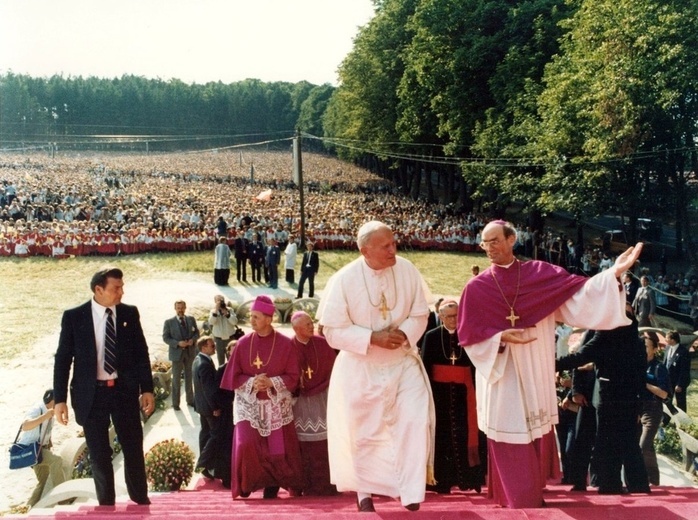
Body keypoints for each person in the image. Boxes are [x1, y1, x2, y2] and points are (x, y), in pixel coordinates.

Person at [457, 219, 642, 508]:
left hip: (534, 362)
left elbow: (580, 295)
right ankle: (519, 497)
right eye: (485, 242)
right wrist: (500, 338)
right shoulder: (477, 287)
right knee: (508, 424)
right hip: (501, 367)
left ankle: (528, 493)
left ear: (512, 240)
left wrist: (613, 273)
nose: (489, 247)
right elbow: (468, 336)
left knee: (531, 424)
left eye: (494, 240)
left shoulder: (540, 273)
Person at [317, 220, 435, 513]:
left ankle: (409, 491)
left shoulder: (407, 270)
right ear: (365, 250)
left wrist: (404, 334)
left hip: (402, 361)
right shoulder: (344, 279)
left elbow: (421, 314)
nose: (394, 249)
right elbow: (331, 331)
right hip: (361, 365)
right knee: (364, 431)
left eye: (394, 243)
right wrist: (372, 338)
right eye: (386, 246)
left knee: (414, 421)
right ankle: (364, 493)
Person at [53, 267, 154, 505]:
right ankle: (106, 506)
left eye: (122, 286)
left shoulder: (129, 313)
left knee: (132, 449)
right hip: (91, 395)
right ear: (98, 289)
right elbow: (62, 359)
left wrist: (147, 388)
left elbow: (141, 353)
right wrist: (59, 400)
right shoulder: (74, 317)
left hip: (123, 391)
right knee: (99, 455)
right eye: (116, 288)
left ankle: (140, 501)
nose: (121, 292)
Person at [556, 307, 650, 495]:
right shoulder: (636, 341)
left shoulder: (605, 335)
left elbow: (579, 357)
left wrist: (552, 364)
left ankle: (610, 484)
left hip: (609, 394)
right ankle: (638, 485)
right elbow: (640, 376)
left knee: (607, 441)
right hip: (629, 397)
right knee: (629, 441)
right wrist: (640, 404)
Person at [219, 295, 304, 499]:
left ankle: (273, 484)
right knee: (247, 443)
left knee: (276, 448)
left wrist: (272, 382)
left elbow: (293, 376)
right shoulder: (242, 343)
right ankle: (248, 482)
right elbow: (233, 376)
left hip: (275, 403)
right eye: (251, 316)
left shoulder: (285, 344)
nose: (252, 320)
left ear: (269, 318)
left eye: (256, 317)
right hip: (249, 403)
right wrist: (252, 382)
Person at [420, 300, 486, 494]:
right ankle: (443, 481)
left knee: (467, 433)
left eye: (456, 315)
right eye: (448, 316)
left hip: (465, 394)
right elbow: (425, 366)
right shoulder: (431, 337)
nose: (453, 320)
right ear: (440, 317)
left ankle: (469, 479)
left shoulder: (468, 335)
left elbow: (476, 365)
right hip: (439, 394)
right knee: (442, 435)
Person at [289, 310, 338, 496]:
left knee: (324, 443)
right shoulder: (290, 346)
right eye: (307, 324)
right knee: (303, 445)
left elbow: (334, 368)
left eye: (311, 323)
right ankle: (303, 484)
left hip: (322, 398)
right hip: (300, 401)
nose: (312, 326)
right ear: (296, 329)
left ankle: (326, 485)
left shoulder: (322, 343)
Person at [18, 389, 67, 508]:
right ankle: (63, 498)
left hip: (40, 449)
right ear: (53, 401)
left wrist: (49, 444)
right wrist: (45, 416)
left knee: (43, 481)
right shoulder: (37, 409)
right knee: (57, 460)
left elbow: (45, 431)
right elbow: (25, 426)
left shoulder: (50, 411)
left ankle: (30, 506)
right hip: (30, 450)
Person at [640, 332, 670, 486]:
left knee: (643, 445)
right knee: (648, 447)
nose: (642, 349)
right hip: (638, 409)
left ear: (655, 349)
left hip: (653, 409)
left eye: (645, 347)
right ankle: (654, 480)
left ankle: (645, 479)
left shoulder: (659, 367)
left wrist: (644, 384)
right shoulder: (637, 365)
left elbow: (664, 393)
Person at [163, 300, 200, 410]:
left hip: (189, 353)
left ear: (185, 307)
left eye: (182, 307)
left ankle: (190, 400)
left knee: (190, 377)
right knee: (176, 380)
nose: (180, 310)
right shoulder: (169, 322)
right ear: (175, 308)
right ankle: (175, 404)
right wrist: (177, 343)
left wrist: (192, 340)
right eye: (178, 308)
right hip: (176, 354)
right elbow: (165, 338)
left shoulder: (191, 319)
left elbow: (196, 333)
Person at [193, 336, 220, 480]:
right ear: (204, 347)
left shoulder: (198, 359)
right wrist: (215, 407)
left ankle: (206, 465)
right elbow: (208, 389)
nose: (214, 348)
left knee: (205, 434)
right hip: (208, 407)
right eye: (212, 346)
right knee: (215, 435)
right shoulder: (204, 364)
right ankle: (202, 464)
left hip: (201, 406)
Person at [664, 330, 691, 412]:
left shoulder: (683, 352)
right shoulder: (667, 348)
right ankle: (666, 420)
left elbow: (684, 370)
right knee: (667, 400)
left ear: (673, 340)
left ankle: (683, 421)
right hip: (668, 380)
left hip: (679, 381)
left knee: (680, 402)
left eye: (667, 338)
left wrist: (680, 384)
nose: (665, 340)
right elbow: (665, 363)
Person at [208, 295, 239, 366]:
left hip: (230, 339)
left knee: (231, 360)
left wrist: (227, 314)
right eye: (218, 301)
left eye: (221, 300)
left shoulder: (230, 310)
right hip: (219, 340)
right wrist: (216, 310)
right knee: (221, 361)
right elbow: (211, 322)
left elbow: (235, 322)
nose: (220, 302)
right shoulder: (213, 311)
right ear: (215, 302)